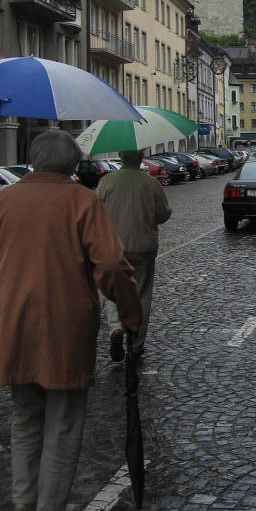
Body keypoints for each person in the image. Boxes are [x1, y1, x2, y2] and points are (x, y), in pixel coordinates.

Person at [0, 129, 141, 511]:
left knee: (25, 419)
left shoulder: (4, 199)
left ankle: (23, 503)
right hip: (65, 329)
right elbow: (112, 266)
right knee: (63, 425)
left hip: (13, 324)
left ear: (33, 160)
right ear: (72, 163)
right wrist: (129, 313)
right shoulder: (82, 201)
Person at [96, 149, 172, 361]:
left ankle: (116, 328)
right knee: (142, 293)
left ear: (121, 157)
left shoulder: (107, 182)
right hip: (143, 247)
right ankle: (136, 344)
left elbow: (96, 213)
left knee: (112, 289)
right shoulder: (150, 183)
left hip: (113, 247)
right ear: (141, 158)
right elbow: (163, 214)